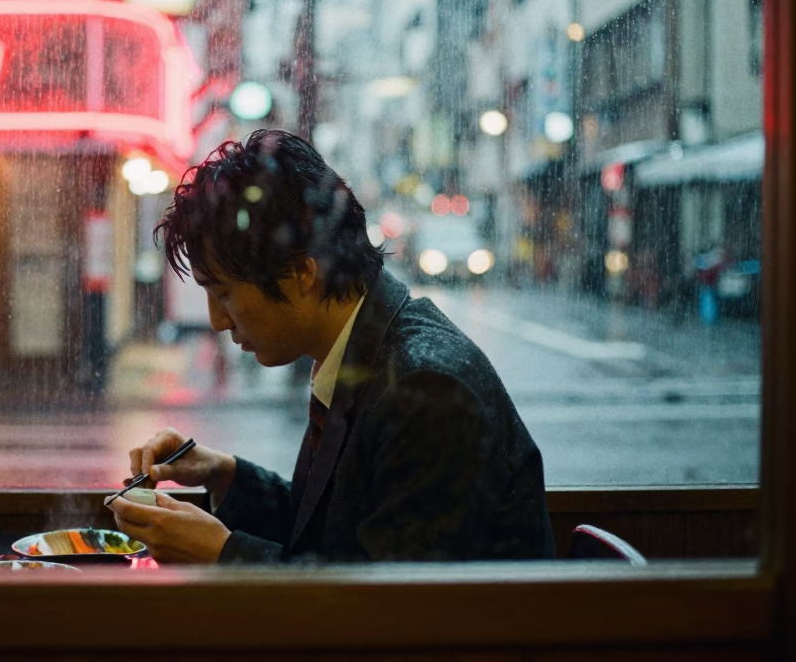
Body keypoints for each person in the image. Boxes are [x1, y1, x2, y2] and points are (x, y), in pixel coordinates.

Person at [106, 130, 555, 564]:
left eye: (223, 293)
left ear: (302, 274)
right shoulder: (370, 346)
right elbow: (337, 532)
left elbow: (385, 613)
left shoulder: (426, 388)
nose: (216, 321)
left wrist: (222, 553)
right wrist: (226, 475)